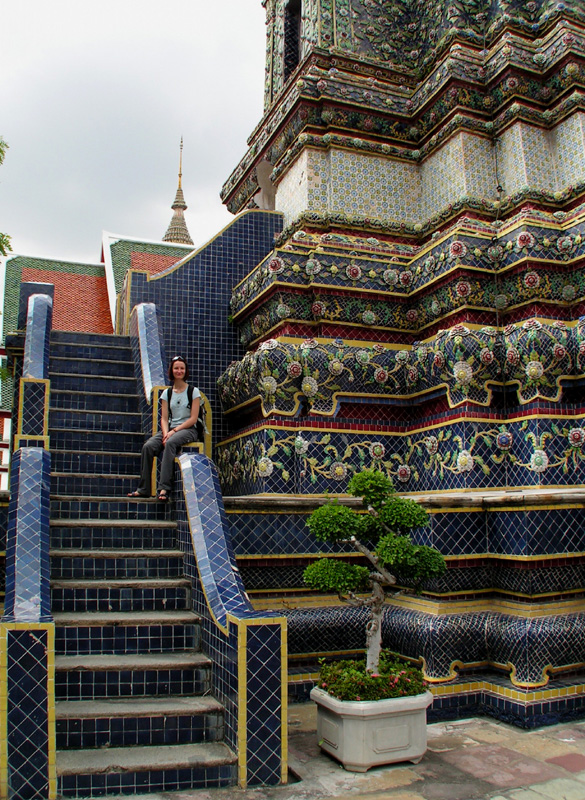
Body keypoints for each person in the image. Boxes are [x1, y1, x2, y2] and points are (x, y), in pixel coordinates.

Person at [128, 355, 200, 501]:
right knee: (148, 446)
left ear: (185, 371)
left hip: (188, 429)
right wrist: (166, 433)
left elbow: (193, 418)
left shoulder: (193, 391)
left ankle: (164, 488)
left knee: (171, 443)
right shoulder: (167, 393)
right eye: (176, 368)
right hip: (170, 429)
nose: (179, 371)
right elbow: (164, 418)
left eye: (182, 368)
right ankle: (144, 489)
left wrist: (173, 432)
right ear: (171, 370)